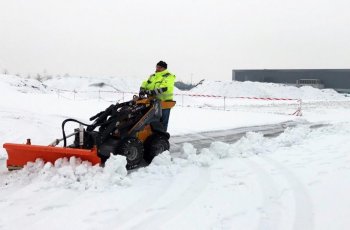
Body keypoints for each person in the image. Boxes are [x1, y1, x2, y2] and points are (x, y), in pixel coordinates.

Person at [139, 61, 176, 131]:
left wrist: (152, 92)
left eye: (159, 67)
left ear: (164, 68)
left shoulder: (169, 76)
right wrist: (142, 88)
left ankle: (162, 138)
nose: (157, 68)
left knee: (162, 122)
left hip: (164, 103)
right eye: (157, 66)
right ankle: (152, 137)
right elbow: (146, 83)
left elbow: (164, 87)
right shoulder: (153, 76)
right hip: (152, 102)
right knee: (150, 121)